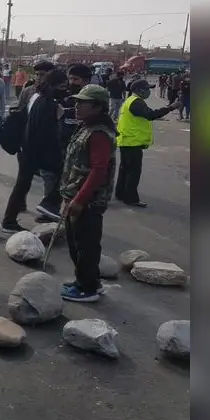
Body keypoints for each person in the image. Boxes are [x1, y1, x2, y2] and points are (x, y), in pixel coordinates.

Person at [59, 85, 118, 303]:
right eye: (76, 102)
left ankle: (87, 288)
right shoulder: (86, 126)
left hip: (88, 201)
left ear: (98, 107)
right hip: (76, 195)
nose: (76, 106)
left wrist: (78, 200)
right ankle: (86, 280)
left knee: (85, 245)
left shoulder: (99, 133)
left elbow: (98, 170)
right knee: (77, 243)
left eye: (82, 103)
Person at [0, 69, 68, 233]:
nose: (65, 89)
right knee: (61, 172)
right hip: (35, 149)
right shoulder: (47, 101)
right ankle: (48, 204)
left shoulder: (36, 96)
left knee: (23, 184)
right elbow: (44, 130)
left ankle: (10, 220)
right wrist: (57, 118)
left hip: (27, 148)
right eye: (63, 85)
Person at [114, 79, 181, 208]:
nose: (149, 91)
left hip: (127, 141)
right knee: (133, 172)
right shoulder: (136, 102)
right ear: (139, 90)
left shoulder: (130, 101)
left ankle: (121, 193)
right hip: (132, 142)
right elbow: (150, 114)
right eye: (147, 89)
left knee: (125, 171)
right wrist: (170, 107)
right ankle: (131, 198)